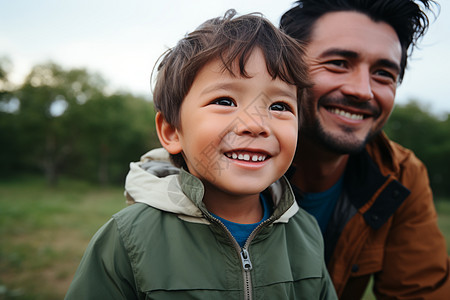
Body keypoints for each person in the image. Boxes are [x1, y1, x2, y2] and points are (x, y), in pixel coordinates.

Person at [65, 10, 338, 299]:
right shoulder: (127, 238)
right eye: (225, 101)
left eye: (280, 106)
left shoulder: (306, 232)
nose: (256, 125)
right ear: (172, 132)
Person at [279, 0, 450, 299]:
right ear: (284, 67)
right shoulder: (222, 163)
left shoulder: (401, 175)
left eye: (383, 73)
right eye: (338, 63)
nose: (362, 90)